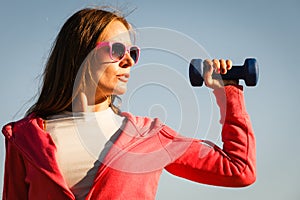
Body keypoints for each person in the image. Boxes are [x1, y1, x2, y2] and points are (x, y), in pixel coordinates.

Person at [1, 7, 256, 200]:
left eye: (132, 53)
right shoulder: (25, 138)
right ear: (81, 52)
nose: (129, 61)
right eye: (117, 50)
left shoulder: (149, 137)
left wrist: (229, 93)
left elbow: (239, 170)